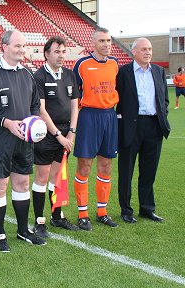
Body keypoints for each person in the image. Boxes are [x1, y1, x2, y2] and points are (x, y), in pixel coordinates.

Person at [0, 29, 46, 252]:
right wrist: (6, 122)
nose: (22, 50)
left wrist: (32, 123)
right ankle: (0, 234)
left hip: (23, 140)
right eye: (17, 46)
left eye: (24, 46)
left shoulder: (27, 74)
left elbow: (35, 104)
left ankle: (23, 230)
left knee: (22, 183)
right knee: (0, 185)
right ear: (4, 46)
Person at [116, 38, 170, 223]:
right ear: (134, 52)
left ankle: (147, 208)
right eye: (144, 49)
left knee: (149, 170)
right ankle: (126, 210)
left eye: (150, 49)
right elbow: (119, 100)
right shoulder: (123, 73)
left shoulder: (158, 71)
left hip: (154, 126)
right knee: (126, 171)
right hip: (132, 126)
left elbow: (164, 99)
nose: (148, 52)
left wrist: (163, 114)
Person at [31, 36, 80, 237]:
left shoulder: (69, 75)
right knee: (41, 177)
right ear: (46, 53)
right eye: (56, 52)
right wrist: (59, 135)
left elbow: (75, 105)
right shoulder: (39, 76)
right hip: (45, 133)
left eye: (63, 51)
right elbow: (41, 109)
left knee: (57, 177)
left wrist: (72, 131)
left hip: (66, 134)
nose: (61, 55)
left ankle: (57, 216)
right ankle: (39, 221)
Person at [72, 27, 119, 231]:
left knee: (106, 164)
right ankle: (83, 214)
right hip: (89, 116)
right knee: (85, 165)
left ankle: (102, 212)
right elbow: (73, 95)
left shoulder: (115, 64)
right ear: (94, 43)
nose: (106, 44)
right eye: (102, 41)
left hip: (109, 115)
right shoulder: (82, 64)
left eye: (108, 40)